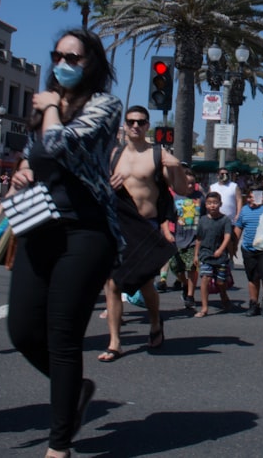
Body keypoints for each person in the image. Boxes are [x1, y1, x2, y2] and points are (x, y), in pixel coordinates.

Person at [3, 28, 122, 458]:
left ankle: (59, 445)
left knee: (63, 336)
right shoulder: (45, 109)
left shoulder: (105, 106)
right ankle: (77, 390)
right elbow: (43, 160)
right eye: (58, 55)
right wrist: (23, 175)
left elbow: (61, 143)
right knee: (22, 330)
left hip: (86, 232)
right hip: (40, 228)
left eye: (74, 57)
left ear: (93, 63)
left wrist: (51, 107)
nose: (63, 64)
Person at [98, 104, 188, 363]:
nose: (135, 126)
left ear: (148, 126)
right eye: (131, 122)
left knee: (145, 283)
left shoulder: (157, 155)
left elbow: (181, 189)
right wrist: (107, 185)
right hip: (118, 225)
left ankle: (155, 322)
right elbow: (96, 186)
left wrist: (176, 166)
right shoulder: (114, 154)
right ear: (124, 125)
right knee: (112, 284)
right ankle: (115, 342)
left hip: (146, 227)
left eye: (140, 122)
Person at [194, 191, 235, 317]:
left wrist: (221, 250)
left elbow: (227, 236)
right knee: (205, 279)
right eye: (210, 203)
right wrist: (196, 254)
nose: (212, 205)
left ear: (220, 204)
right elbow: (199, 238)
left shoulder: (225, 220)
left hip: (220, 256)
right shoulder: (202, 220)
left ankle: (224, 296)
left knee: (220, 282)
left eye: (215, 203)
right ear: (205, 205)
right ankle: (204, 308)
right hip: (205, 254)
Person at [235, 190, 263, 317]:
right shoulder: (244, 210)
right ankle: (253, 303)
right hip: (248, 249)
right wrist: (233, 245)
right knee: (252, 278)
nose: (249, 200)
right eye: (249, 197)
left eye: (253, 198)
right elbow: (239, 227)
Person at [170, 167, 204, 309]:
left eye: (192, 183)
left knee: (192, 267)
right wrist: (168, 233)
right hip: (178, 238)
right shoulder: (176, 197)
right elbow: (169, 217)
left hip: (194, 239)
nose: (190, 186)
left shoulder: (200, 196)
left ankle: (190, 295)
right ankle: (184, 283)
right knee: (175, 267)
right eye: (187, 183)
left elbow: (207, 215)